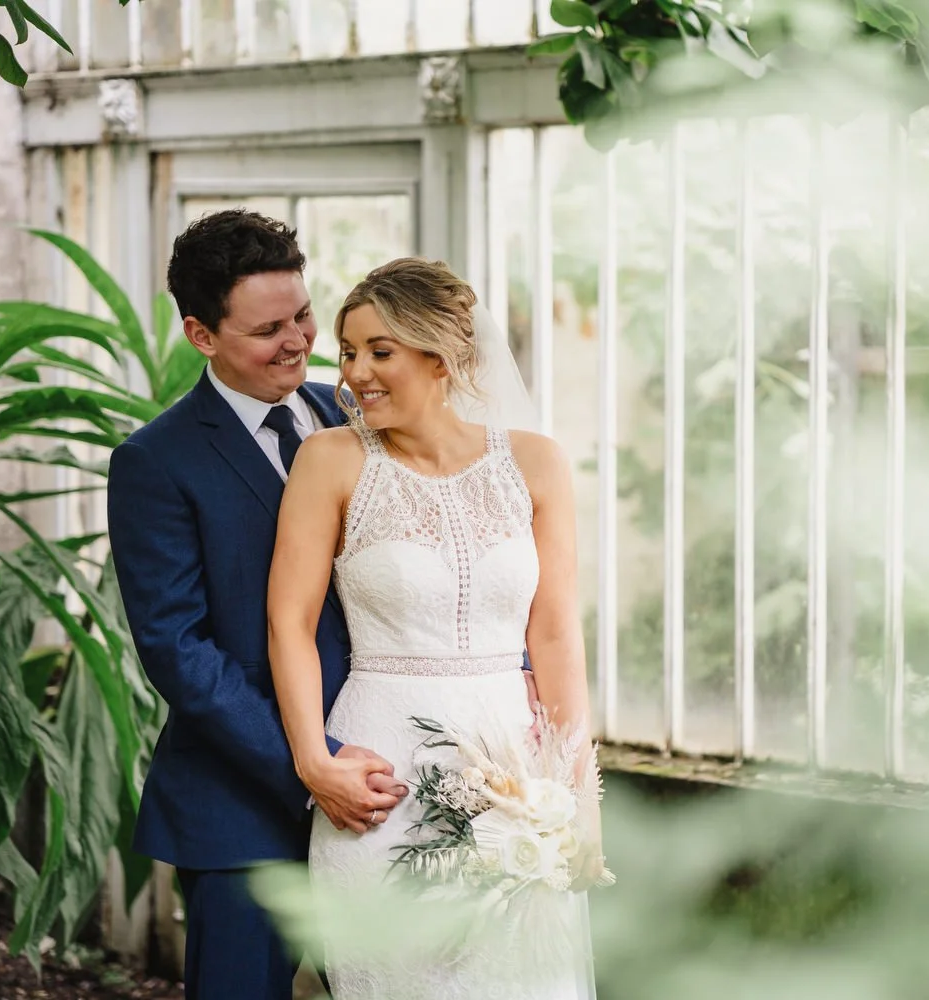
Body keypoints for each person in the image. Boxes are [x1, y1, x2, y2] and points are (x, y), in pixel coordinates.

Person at [266, 257, 602, 999]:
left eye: (379, 351)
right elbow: (287, 627)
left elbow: (554, 637)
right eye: (348, 353)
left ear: (442, 355)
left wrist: (579, 799)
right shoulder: (329, 461)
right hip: (378, 777)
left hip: (518, 779)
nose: (354, 374)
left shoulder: (538, 463)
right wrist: (313, 763)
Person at [106, 210, 409, 1000]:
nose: (298, 341)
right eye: (267, 328)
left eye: (304, 315)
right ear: (202, 336)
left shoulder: (356, 414)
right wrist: (313, 766)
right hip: (243, 808)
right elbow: (179, 649)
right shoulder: (153, 463)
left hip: (390, 785)